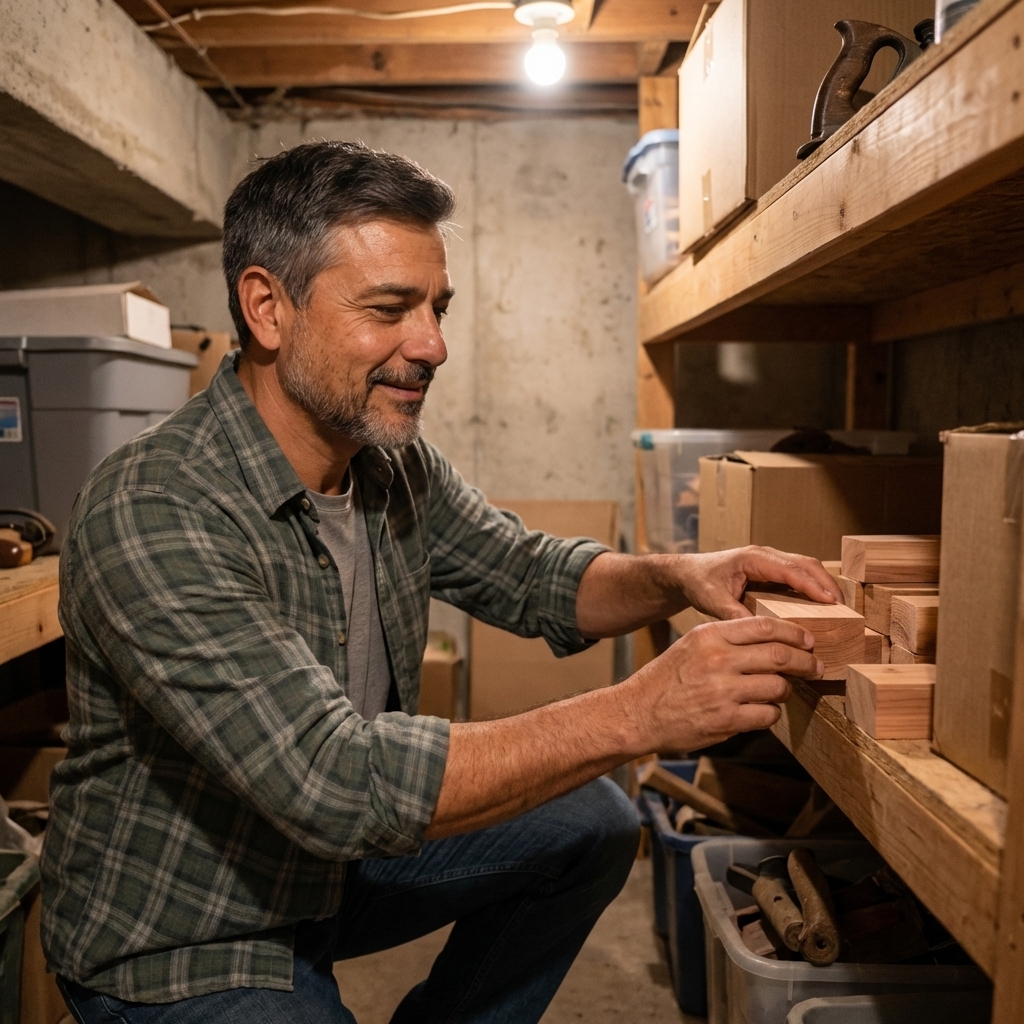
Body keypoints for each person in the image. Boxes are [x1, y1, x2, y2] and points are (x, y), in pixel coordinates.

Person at [41, 141, 841, 1024]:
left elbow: (536, 576)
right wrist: (640, 711)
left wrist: (684, 576)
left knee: (594, 824)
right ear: (267, 308)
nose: (433, 345)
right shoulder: (156, 505)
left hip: (328, 864)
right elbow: (332, 782)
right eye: (390, 308)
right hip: (187, 928)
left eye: (436, 307)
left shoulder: (391, 467)